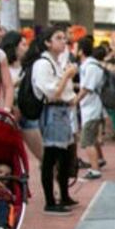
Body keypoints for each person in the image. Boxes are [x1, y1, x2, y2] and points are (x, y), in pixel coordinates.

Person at [25, 26, 79, 215]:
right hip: (52, 111)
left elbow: (64, 92)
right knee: (51, 156)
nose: (63, 41)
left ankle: (64, 194)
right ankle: (50, 200)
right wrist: (67, 75)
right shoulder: (43, 64)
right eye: (59, 38)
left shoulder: (57, 62)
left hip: (63, 112)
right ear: (48, 42)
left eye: (64, 38)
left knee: (64, 157)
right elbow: (52, 93)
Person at [0, 30, 43, 160]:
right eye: (23, 44)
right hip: (9, 115)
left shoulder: (28, 66)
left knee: (42, 154)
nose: (26, 48)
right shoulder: (2, 65)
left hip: (26, 113)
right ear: (13, 46)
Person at [74, 36, 106, 180]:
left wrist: (75, 100)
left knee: (87, 140)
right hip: (91, 106)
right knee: (92, 136)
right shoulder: (89, 65)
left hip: (91, 107)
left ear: (81, 51)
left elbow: (87, 88)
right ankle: (99, 160)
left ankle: (94, 169)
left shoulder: (90, 66)